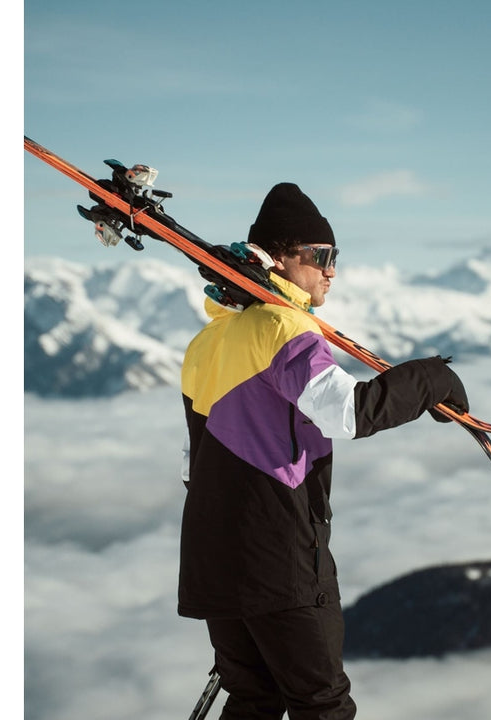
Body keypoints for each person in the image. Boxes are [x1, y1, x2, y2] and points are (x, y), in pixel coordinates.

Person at [178, 182, 469, 719]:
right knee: (322, 705)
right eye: (320, 255)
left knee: (253, 699)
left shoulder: (207, 341)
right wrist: (432, 378)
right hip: (279, 557)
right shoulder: (283, 326)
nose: (331, 270)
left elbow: (191, 462)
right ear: (278, 258)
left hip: (211, 557)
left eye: (336, 257)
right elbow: (348, 412)